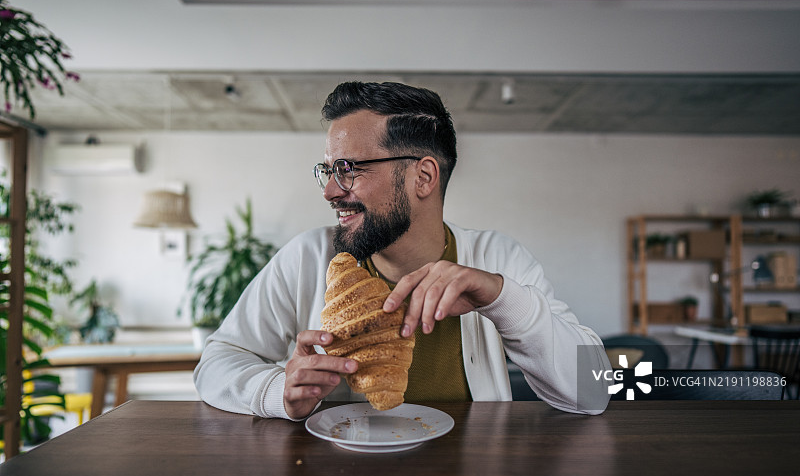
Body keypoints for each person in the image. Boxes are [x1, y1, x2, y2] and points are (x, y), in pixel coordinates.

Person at [194, 81, 611, 420]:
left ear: (423, 177)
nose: (329, 191)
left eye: (348, 169)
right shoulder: (307, 258)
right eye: (328, 170)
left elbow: (594, 391)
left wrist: (503, 300)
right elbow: (216, 362)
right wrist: (274, 389)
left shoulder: (497, 260)